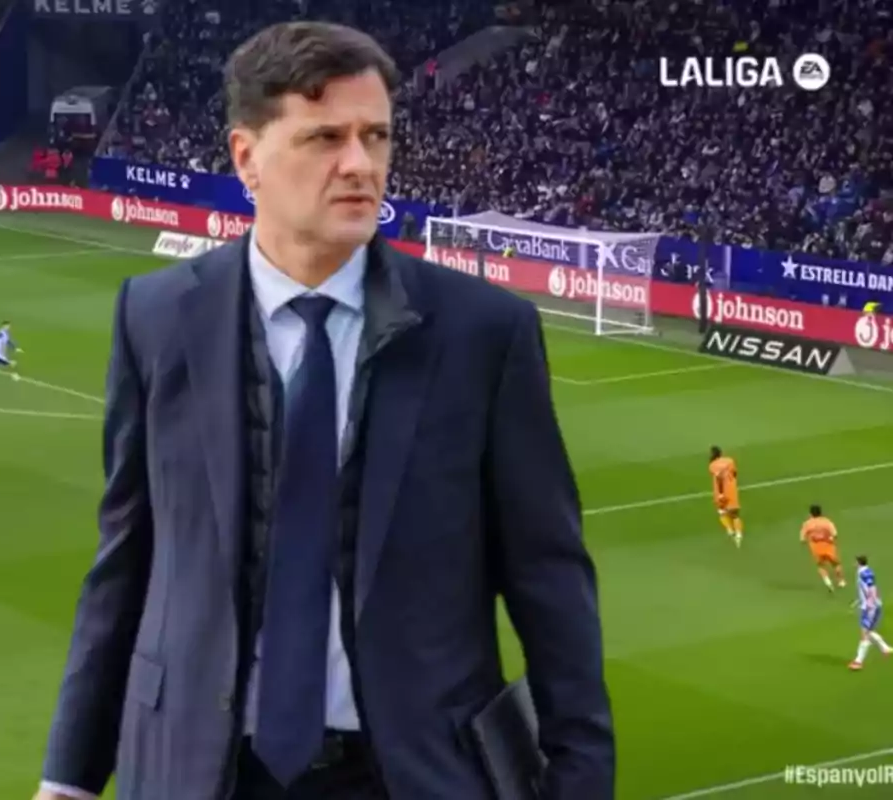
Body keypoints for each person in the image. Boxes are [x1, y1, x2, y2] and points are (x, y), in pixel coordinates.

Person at [35, 20, 613, 800]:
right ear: (247, 157)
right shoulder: (158, 315)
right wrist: (69, 777)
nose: (359, 165)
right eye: (324, 139)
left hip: (410, 773)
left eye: (376, 137)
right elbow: (128, 562)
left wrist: (580, 780)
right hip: (194, 770)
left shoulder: (484, 333)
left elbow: (548, 579)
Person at [708, 445, 743, 547]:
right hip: (731, 490)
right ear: (721, 453)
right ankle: (739, 535)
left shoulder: (712, 465)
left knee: (722, 513)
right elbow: (735, 473)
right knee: (735, 515)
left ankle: (730, 530)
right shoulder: (730, 461)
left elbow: (717, 478)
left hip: (719, 492)